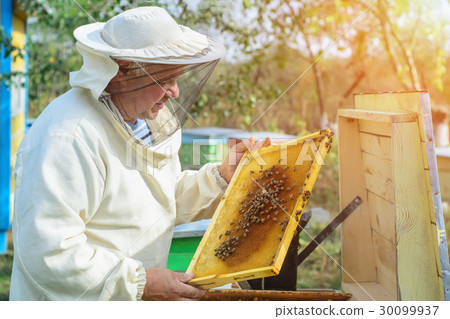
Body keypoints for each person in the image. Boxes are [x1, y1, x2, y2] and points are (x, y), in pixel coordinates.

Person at [9, 6, 271, 301]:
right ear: (122, 70)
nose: (174, 92)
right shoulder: (68, 135)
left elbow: (157, 201)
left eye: (178, 78)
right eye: (164, 80)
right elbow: (48, 253)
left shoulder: (150, 119)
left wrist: (222, 178)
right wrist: (140, 282)